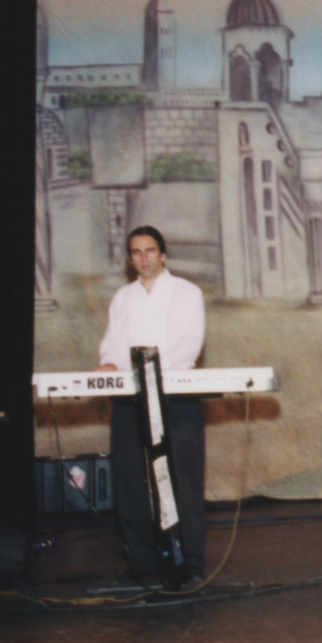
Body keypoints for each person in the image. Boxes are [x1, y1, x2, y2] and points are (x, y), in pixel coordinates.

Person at [96, 225, 207, 590]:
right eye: (136, 252)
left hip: (176, 398)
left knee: (183, 481)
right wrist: (111, 365)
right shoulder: (122, 298)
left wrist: (148, 374)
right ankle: (141, 565)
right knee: (130, 481)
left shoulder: (187, 293)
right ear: (130, 259)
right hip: (130, 400)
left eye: (149, 251)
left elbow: (189, 344)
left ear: (163, 255)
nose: (143, 258)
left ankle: (190, 564)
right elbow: (112, 344)